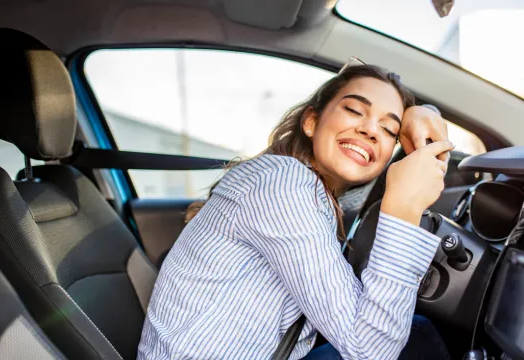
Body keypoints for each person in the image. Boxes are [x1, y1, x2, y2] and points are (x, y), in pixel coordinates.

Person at [137, 59, 454, 360]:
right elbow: (370, 350)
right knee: (420, 338)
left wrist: (421, 112)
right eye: (355, 110)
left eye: (388, 130)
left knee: (417, 332)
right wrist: (403, 212)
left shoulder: (315, 192)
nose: (371, 130)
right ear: (311, 122)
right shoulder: (284, 184)